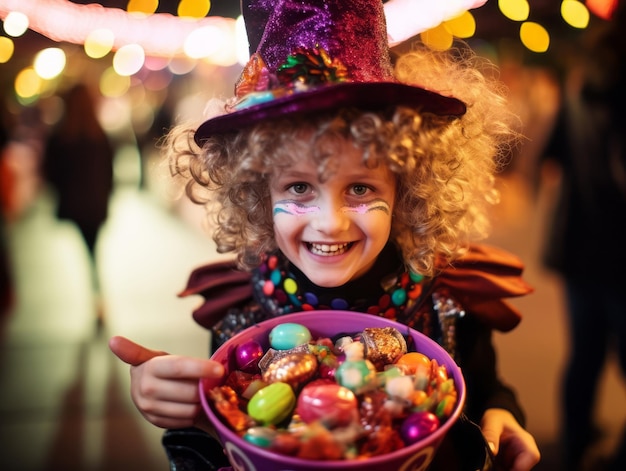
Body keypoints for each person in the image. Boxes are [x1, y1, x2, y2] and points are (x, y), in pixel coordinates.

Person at [109, 0, 540, 469]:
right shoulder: (243, 313)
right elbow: (234, 434)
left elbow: (485, 386)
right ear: (256, 192)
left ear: (406, 187)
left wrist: (503, 413)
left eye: (360, 187)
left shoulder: (449, 294)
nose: (330, 222)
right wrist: (190, 413)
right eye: (298, 187)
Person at [539, 4, 626, 470]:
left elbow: (554, 158)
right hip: (618, 248)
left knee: (584, 355)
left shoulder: (579, 82)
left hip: (579, 243)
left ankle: (574, 445)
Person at [43, 83, 115, 326]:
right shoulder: (99, 135)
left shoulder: (61, 136)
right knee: (93, 249)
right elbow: (109, 173)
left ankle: (96, 294)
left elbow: (49, 174)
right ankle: (97, 295)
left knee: (89, 251)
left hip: (75, 206)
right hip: (96, 206)